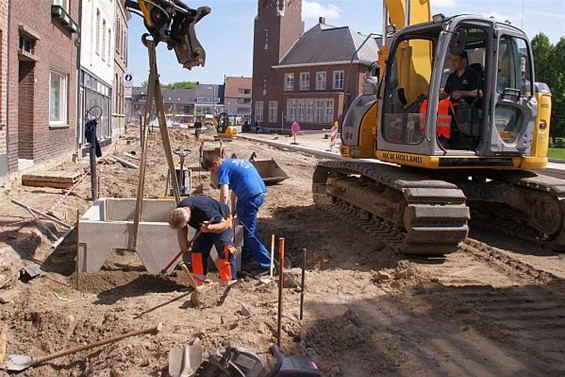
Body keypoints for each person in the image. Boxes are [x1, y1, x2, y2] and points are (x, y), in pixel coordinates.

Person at [203, 155, 271, 275]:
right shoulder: (235, 162)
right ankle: (245, 256)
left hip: (249, 198)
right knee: (241, 227)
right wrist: (233, 210)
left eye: (213, 171)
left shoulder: (223, 169)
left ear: (215, 164)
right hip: (257, 194)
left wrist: (221, 214)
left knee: (248, 232)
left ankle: (266, 264)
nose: (215, 173)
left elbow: (224, 196)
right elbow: (234, 191)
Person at [167, 195, 237, 286]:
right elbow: (182, 228)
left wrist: (209, 228)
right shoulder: (180, 211)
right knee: (198, 251)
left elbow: (224, 225)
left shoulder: (204, 210)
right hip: (204, 226)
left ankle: (228, 282)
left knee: (225, 250)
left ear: (188, 219)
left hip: (222, 222)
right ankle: (198, 281)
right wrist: (184, 244)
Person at [421, 51, 480, 147]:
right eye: (452, 61)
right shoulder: (452, 76)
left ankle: (443, 136)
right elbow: (445, 93)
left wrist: (462, 93)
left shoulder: (472, 75)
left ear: (464, 61)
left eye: (456, 60)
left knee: (443, 104)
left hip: (465, 105)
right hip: (451, 104)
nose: (453, 63)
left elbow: (479, 93)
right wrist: (430, 95)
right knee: (426, 103)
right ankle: (424, 133)